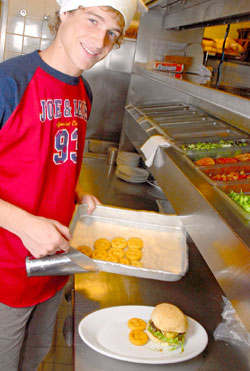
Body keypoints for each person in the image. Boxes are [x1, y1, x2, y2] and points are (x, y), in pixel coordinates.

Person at [0, 0, 147, 369]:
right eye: (92, 20)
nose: (99, 41)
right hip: (7, 273)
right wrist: (23, 224)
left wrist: (75, 191)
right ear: (65, 13)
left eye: (112, 33)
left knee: (34, 357)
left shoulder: (83, 92)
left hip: (55, 265)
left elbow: (50, 158)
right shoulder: (10, 83)